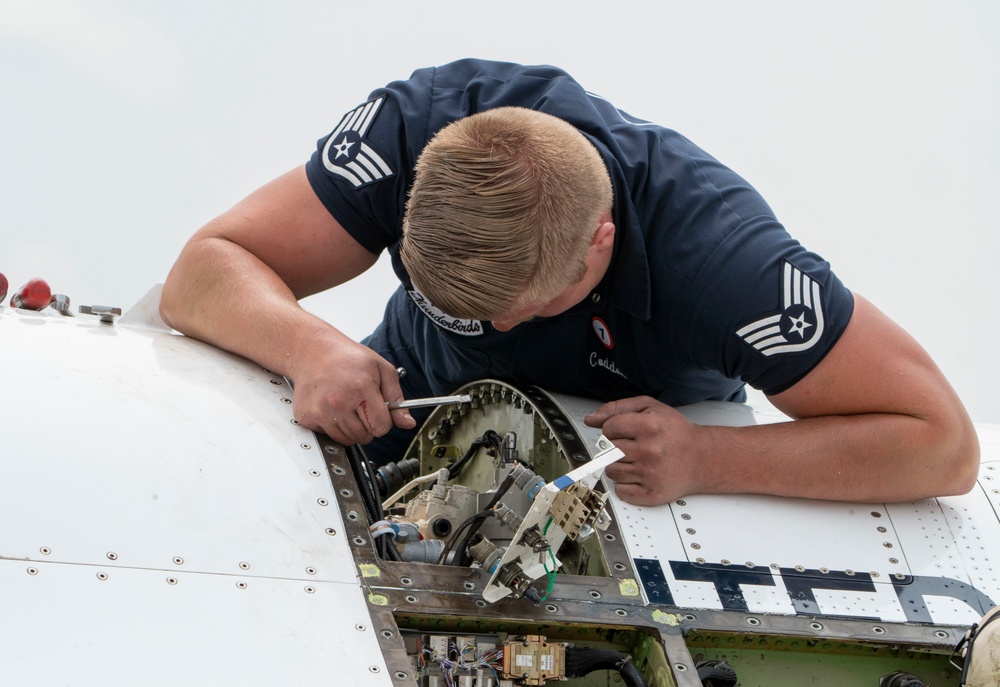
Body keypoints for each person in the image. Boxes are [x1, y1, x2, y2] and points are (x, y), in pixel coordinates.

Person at [160, 58, 979, 506]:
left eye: (509, 315)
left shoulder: (729, 268)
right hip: (405, 407)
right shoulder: (411, 125)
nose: (488, 330)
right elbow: (203, 267)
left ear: (599, 251)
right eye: (455, 306)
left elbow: (942, 445)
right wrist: (310, 345)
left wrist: (708, 459)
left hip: (632, 473)